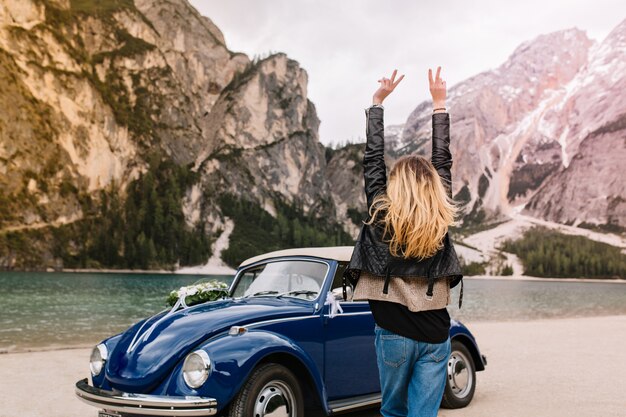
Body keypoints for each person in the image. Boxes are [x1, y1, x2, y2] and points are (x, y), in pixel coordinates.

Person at [345, 67, 464, 417]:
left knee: (393, 412)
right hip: (435, 333)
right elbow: (442, 160)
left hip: (393, 331)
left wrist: (377, 103)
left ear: (396, 186)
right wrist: (439, 104)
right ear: (432, 188)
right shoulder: (439, 217)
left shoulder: (382, 214)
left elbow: (372, 161)